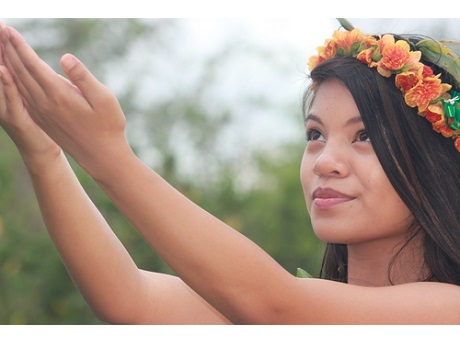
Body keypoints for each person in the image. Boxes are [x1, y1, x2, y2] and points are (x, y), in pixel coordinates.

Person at [0, 20, 460, 325]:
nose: (324, 161)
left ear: (432, 164)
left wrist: (108, 158)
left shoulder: (449, 312)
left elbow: (275, 307)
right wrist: (45, 153)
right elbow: (129, 299)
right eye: (315, 134)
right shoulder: (284, 305)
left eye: (364, 138)